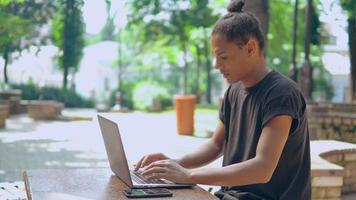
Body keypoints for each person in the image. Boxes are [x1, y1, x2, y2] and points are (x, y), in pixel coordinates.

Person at [134, 1, 311, 199]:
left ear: (250, 48)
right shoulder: (233, 91)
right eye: (215, 57)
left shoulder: (282, 94)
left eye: (223, 56)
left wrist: (189, 175)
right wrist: (175, 164)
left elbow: (263, 168)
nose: (216, 65)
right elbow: (216, 145)